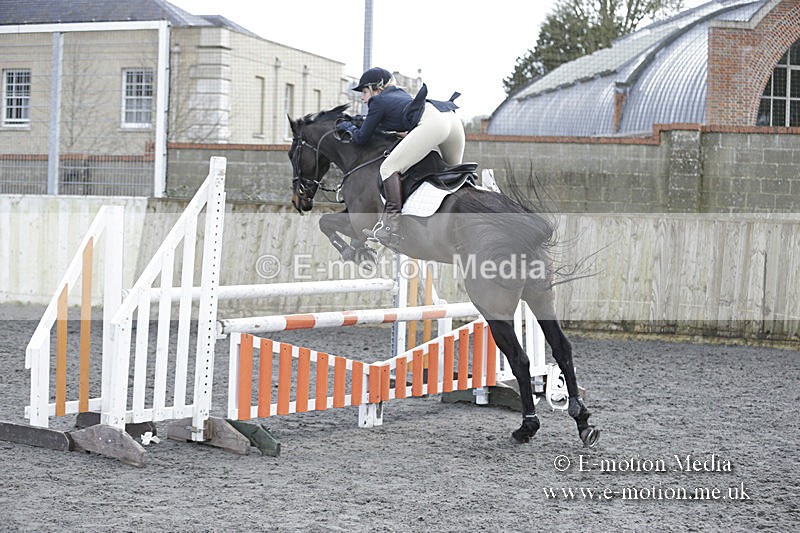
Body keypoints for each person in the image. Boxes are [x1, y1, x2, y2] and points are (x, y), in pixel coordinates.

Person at [336, 67, 466, 244]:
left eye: (365, 92)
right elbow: (398, 129)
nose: (362, 97)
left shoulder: (378, 101)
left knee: (388, 168)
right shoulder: (399, 95)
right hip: (452, 119)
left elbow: (361, 138)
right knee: (454, 174)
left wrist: (346, 126)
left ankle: (391, 227)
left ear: (377, 88)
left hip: (434, 122)